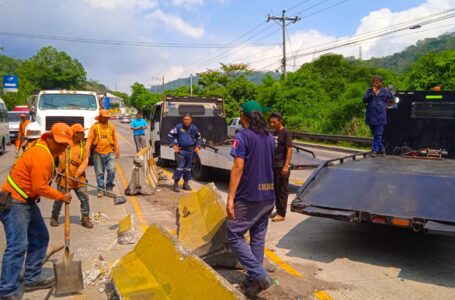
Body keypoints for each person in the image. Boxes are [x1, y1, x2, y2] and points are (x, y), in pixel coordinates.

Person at [0, 123, 73, 299]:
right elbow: (39, 187)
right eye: (60, 143)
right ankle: (7, 289)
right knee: (17, 245)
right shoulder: (41, 154)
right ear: (49, 138)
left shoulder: (46, 151)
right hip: (15, 201)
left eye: (65, 144)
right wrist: (61, 196)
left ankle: (32, 278)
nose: (63, 148)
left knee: (40, 237)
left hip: (26, 201)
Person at [225, 100, 275, 297]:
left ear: (242, 115)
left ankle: (260, 275)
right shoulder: (269, 137)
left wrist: (230, 198)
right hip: (268, 195)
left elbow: (238, 167)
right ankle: (253, 284)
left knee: (233, 234)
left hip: (249, 197)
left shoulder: (242, 136)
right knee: (257, 239)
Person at [51, 124, 93, 229]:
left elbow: (85, 161)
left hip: (79, 178)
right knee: (59, 198)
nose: (84, 134)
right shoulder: (64, 144)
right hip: (64, 177)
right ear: (75, 134)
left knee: (84, 198)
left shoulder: (84, 146)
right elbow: (53, 156)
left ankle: (85, 218)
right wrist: (52, 170)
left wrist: (77, 174)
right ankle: (54, 217)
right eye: (82, 132)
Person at [86, 109, 120, 198]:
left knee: (112, 170)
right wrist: (87, 150)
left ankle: (109, 188)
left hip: (110, 152)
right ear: (100, 117)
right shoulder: (94, 127)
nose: (106, 119)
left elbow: (115, 139)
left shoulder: (111, 126)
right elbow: (89, 139)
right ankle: (100, 189)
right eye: (104, 117)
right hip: (98, 152)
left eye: (107, 117)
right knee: (99, 172)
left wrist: (117, 150)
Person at [168, 114, 202, 192]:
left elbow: (199, 138)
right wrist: (173, 145)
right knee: (180, 167)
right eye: (184, 119)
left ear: (191, 120)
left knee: (188, 168)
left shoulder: (194, 128)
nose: (186, 121)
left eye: (187, 119)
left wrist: (198, 146)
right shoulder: (178, 127)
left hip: (190, 151)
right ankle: (176, 184)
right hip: (181, 151)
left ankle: (185, 184)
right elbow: (170, 135)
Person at [269, 112, 292, 222]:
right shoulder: (274, 133)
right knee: (276, 190)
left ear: (280, 121)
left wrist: (286, 165)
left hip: (282, 165)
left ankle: (282, 213)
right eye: (271, 122)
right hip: (274, 165)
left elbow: (289, 150)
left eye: (274, 122)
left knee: (282, 190)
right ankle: (278, 210)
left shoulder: (286, 133)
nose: (272, 124)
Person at [363, 75, 394, 157]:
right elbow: (364, 100)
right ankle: (382, 149)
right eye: (373, 82)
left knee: (378, 135)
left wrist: (385, 106)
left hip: (380, 117)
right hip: (371, 117)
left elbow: (391, 100)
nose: (375, 84)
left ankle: (374, 151)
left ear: (381, 83)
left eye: (377, 82)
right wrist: (372, 94)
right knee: (375, 135)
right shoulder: (369, 91)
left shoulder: (385, 91)